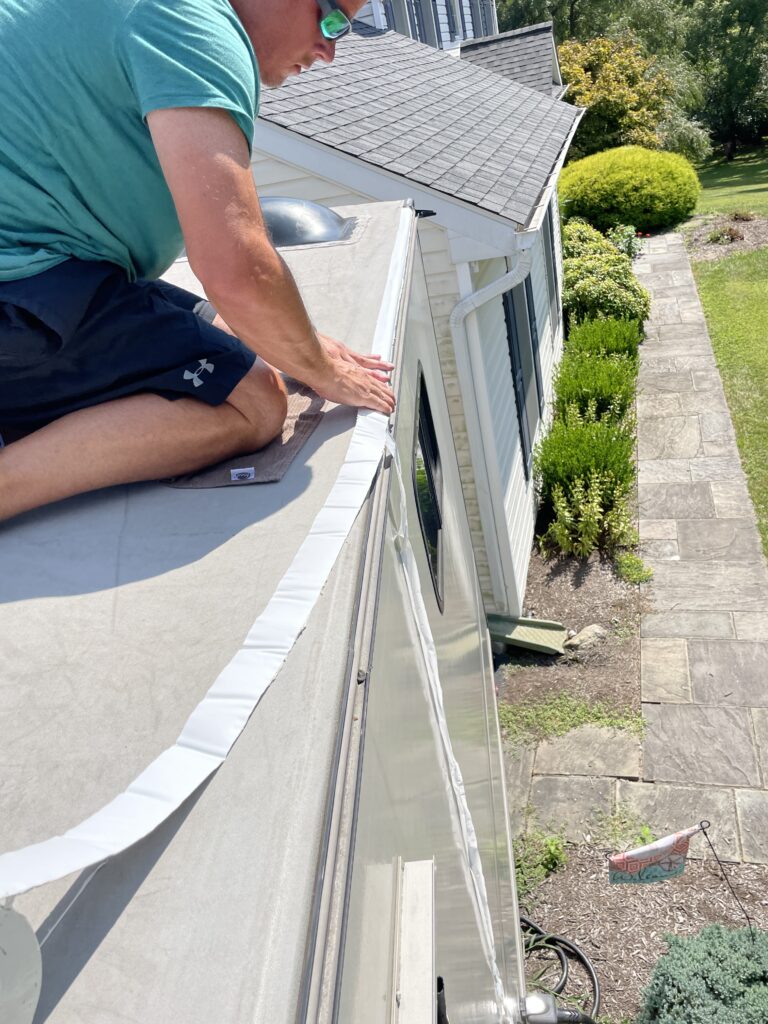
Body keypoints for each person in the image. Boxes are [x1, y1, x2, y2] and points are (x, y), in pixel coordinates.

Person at [0, 0, 395, 522]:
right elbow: (238, 270)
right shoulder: (194, 25)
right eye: (331, 18)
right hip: (24, 291)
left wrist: (288, 340)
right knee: (255, 402)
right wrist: (318, 370)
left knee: (230, 333)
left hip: (52, 272)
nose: (329, 50)